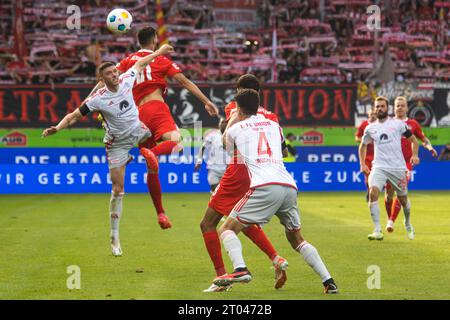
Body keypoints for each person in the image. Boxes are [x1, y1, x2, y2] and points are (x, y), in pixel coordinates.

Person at [42, 45, 174, 256]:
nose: (114, 75)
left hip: (139, 131)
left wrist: (159, 52)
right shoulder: (97, 99)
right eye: (109, 74)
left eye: (115, 71)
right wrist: (57, 127)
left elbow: (140, 63)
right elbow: (74, 115)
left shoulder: (126, 79)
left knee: (172, 141)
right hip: (118, 144)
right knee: (118, 189)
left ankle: (159, 207)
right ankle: (114, 237)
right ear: (102, 79)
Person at [213, 89, 338, 294]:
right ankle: (329, 281)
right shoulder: (273, 125)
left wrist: (233, 120)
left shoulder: (237, 128)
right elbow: (282, 149)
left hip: (264, 185)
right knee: (296, 239)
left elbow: (226, 146)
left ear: (238, 108)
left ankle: (240, 269)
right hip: (288, 185)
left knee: (226, 228)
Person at [115, 26, 219, 229]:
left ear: (138, 41)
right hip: (156, 108)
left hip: (137, 115)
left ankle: (161, 213)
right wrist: (206, 101)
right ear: (154, 39)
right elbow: (185, 82)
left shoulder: (128, 61)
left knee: (152, 169)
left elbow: (107, 81)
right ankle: (152, 152)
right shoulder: (161, 59)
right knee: (177, 143)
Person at [201, 74, 288, 293]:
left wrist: (226, 129)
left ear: (239, 91)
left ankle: (222, 277)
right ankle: (276, 258)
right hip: (262, 172)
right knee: (243, 221)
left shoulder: (236, 107)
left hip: (239, 169)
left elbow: (226, 137)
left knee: (208, 223)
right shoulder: (271, 117)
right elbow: (283, 150)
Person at [359, 96, 420, 241]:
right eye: (377, 107)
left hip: (397, 168)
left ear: (388, 108)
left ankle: (408, 222)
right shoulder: (370, 128)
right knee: (373, 193)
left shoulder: (398, 124)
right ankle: (377, 230)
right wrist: (362, 163)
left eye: (382, 106)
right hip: (378, 167)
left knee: (403, 199)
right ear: (374, 109)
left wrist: (415, 154)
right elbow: (363, 145)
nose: (379, 109)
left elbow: (413, 140)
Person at [384, 96, 437, 234]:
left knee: (401, 191)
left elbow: (423, 139)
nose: (400, 107)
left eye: (402, 105)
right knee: (388, 195)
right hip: (389, 163)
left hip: (405, 164)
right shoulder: (388, 123)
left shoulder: (413, 124)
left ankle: (391, 221)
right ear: (393, 108)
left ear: (407, 108)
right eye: (397, 105)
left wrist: (429, 147)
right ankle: (389, 217)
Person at [194, 118, 228, 192]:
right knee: (214, 191)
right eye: (221, 123)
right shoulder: (213, 135)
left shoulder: (233, 135)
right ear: (219, 125)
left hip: (228, 170)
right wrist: (199, 160)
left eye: (224, 123)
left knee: (228, 193)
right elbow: (203, 147)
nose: (222, 124)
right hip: (213, 169)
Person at [355, 107, 377, 201]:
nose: (372, 116)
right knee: (368, 176)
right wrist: (366, 141)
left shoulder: (380, 125)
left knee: (378, 176)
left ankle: (375, 190)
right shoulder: (364, 124)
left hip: (378, 155)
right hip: (366, 155)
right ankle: (369, 190)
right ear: (368, 115)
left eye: (374, 114)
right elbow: (357, 138)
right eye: (371, 114)